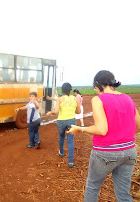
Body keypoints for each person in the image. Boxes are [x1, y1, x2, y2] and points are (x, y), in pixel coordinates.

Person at [68, 70, 140, 201]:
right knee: (124, 193)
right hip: (130, 151)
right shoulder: (128, 98)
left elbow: (102, 130)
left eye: (95, 87)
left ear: (97, 84)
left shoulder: (98, 99)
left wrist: (80, 129)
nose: (96, 90)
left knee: (93, 186)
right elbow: (138, 126)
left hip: (106, 153)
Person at [47, 83, 81, 167]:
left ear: (62, 90)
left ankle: (61, 152)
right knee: (70, 141)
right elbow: (78, 112)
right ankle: (70, 161)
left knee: (61, 136)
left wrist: (50, 113)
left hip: (61, 121)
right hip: (71, 121)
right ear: (70, 89)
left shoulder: (60, 99)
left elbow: (56, 111)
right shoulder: (75, 99)